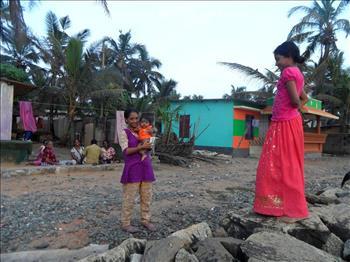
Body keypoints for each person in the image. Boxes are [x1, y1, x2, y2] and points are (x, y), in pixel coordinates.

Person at [253, 41, 309, 224]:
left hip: (283, 124)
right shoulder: (297, 73)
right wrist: (298, 111)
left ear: (289, 56)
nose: (276, 63)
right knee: (288, 163)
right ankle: (289, 204)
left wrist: (294, 109)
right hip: (290, 123)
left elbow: (295, 100)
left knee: (276, 164)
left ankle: (280, 206)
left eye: (278, 59)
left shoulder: (288, 72)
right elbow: (304, 97)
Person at [118, 109, 156, 233]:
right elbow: (126, 151)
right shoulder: (124, 133)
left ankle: (145, 220)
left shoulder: (143, 131)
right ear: (126, 120)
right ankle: (125, 223)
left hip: (145, 166)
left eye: (136, 118)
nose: (134, 121)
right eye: (132, 119)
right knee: (129, 197)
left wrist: (150, 141)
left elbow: (152, 142)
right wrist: (141, 147)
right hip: (133, 168)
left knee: (147, 196)